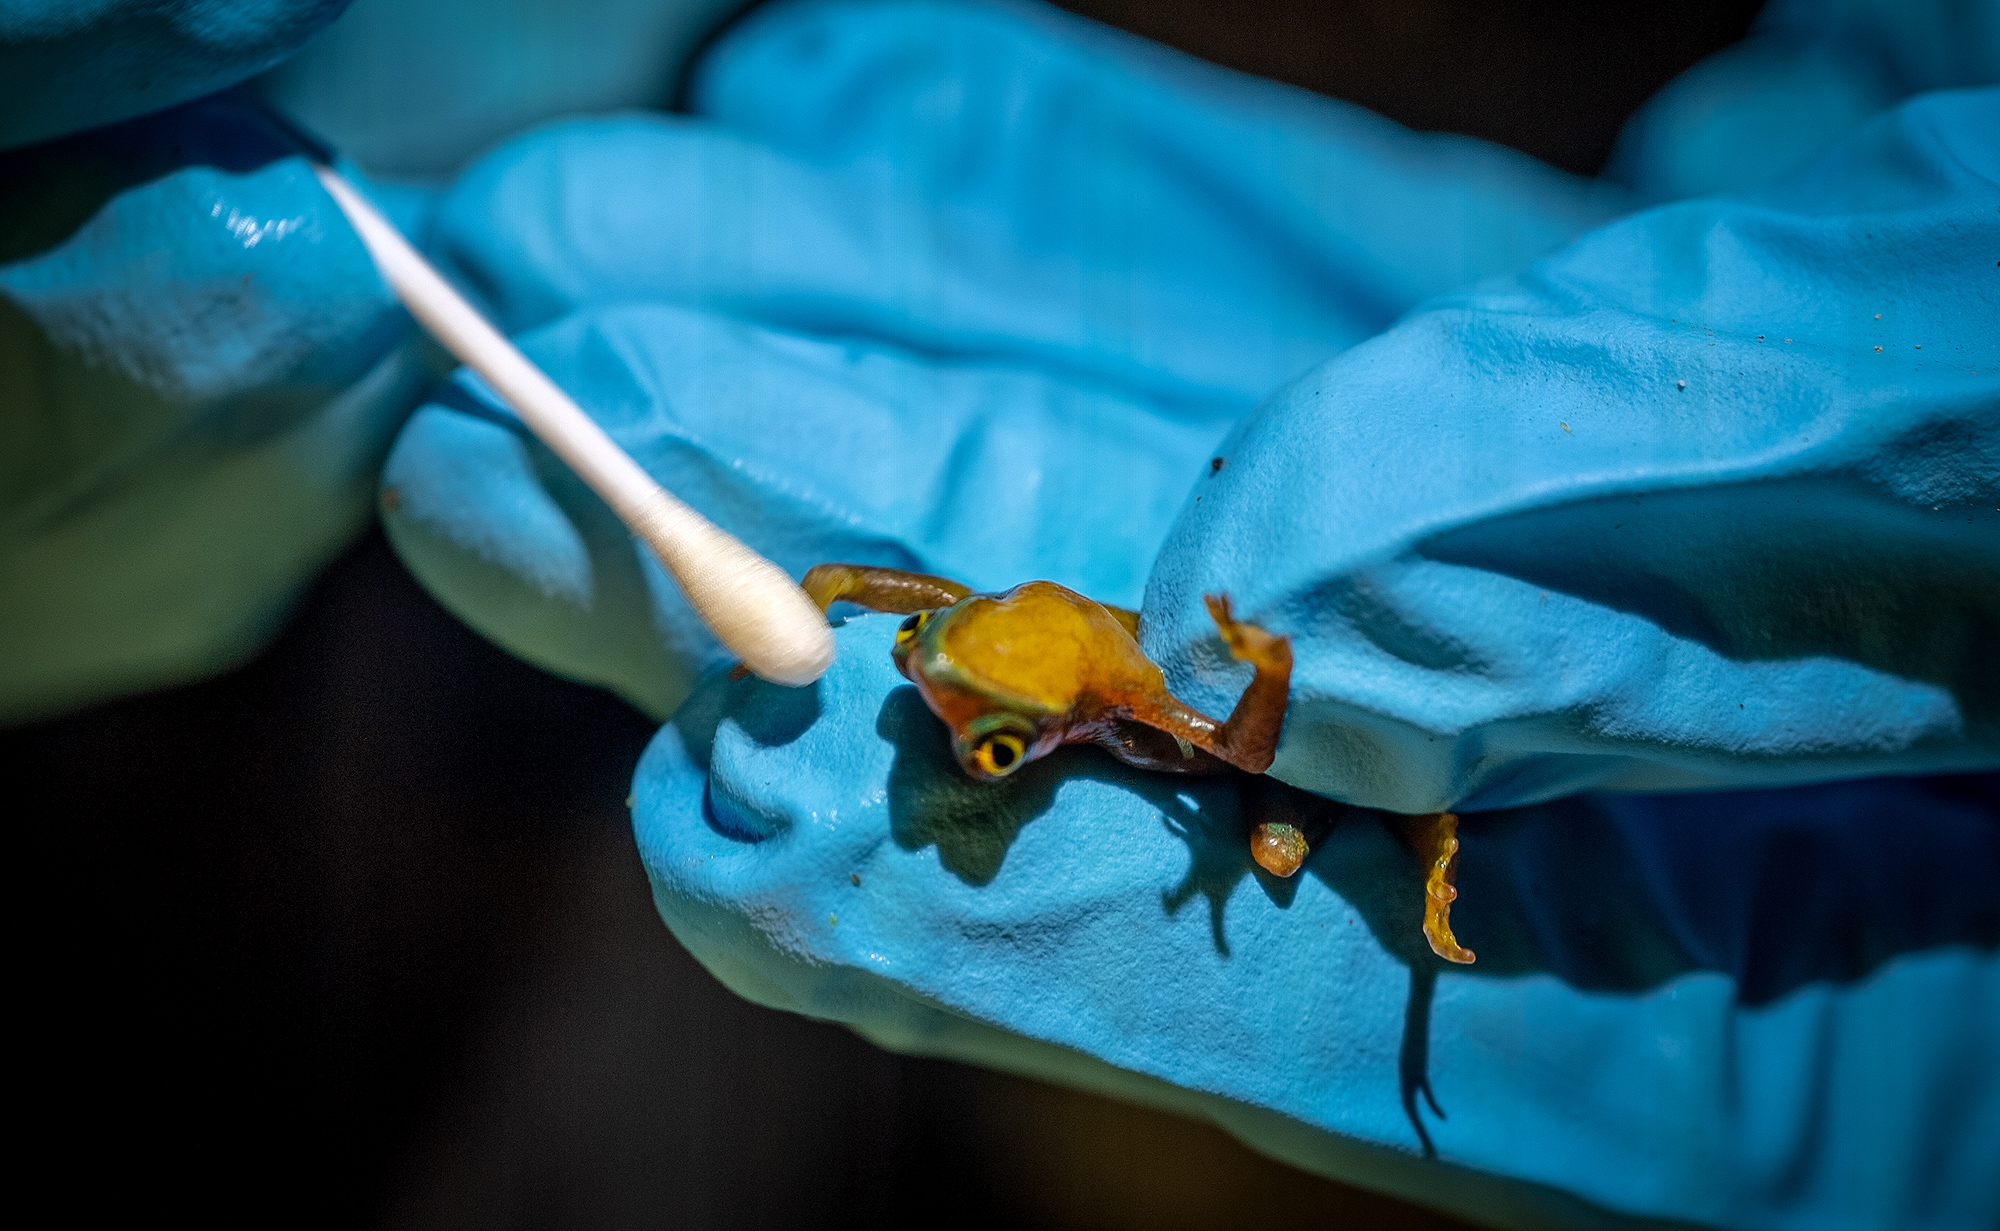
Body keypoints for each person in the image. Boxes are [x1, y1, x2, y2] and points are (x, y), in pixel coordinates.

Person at [5, 1, 1995, 1225]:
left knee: (1347, 801)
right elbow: (909, 602)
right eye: (964, 727)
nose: (950, 745)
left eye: (981, 737)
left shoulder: (1218, 703)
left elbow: (1303, 739)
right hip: (1054, 601)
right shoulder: (958, 648)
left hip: (1215, 672)